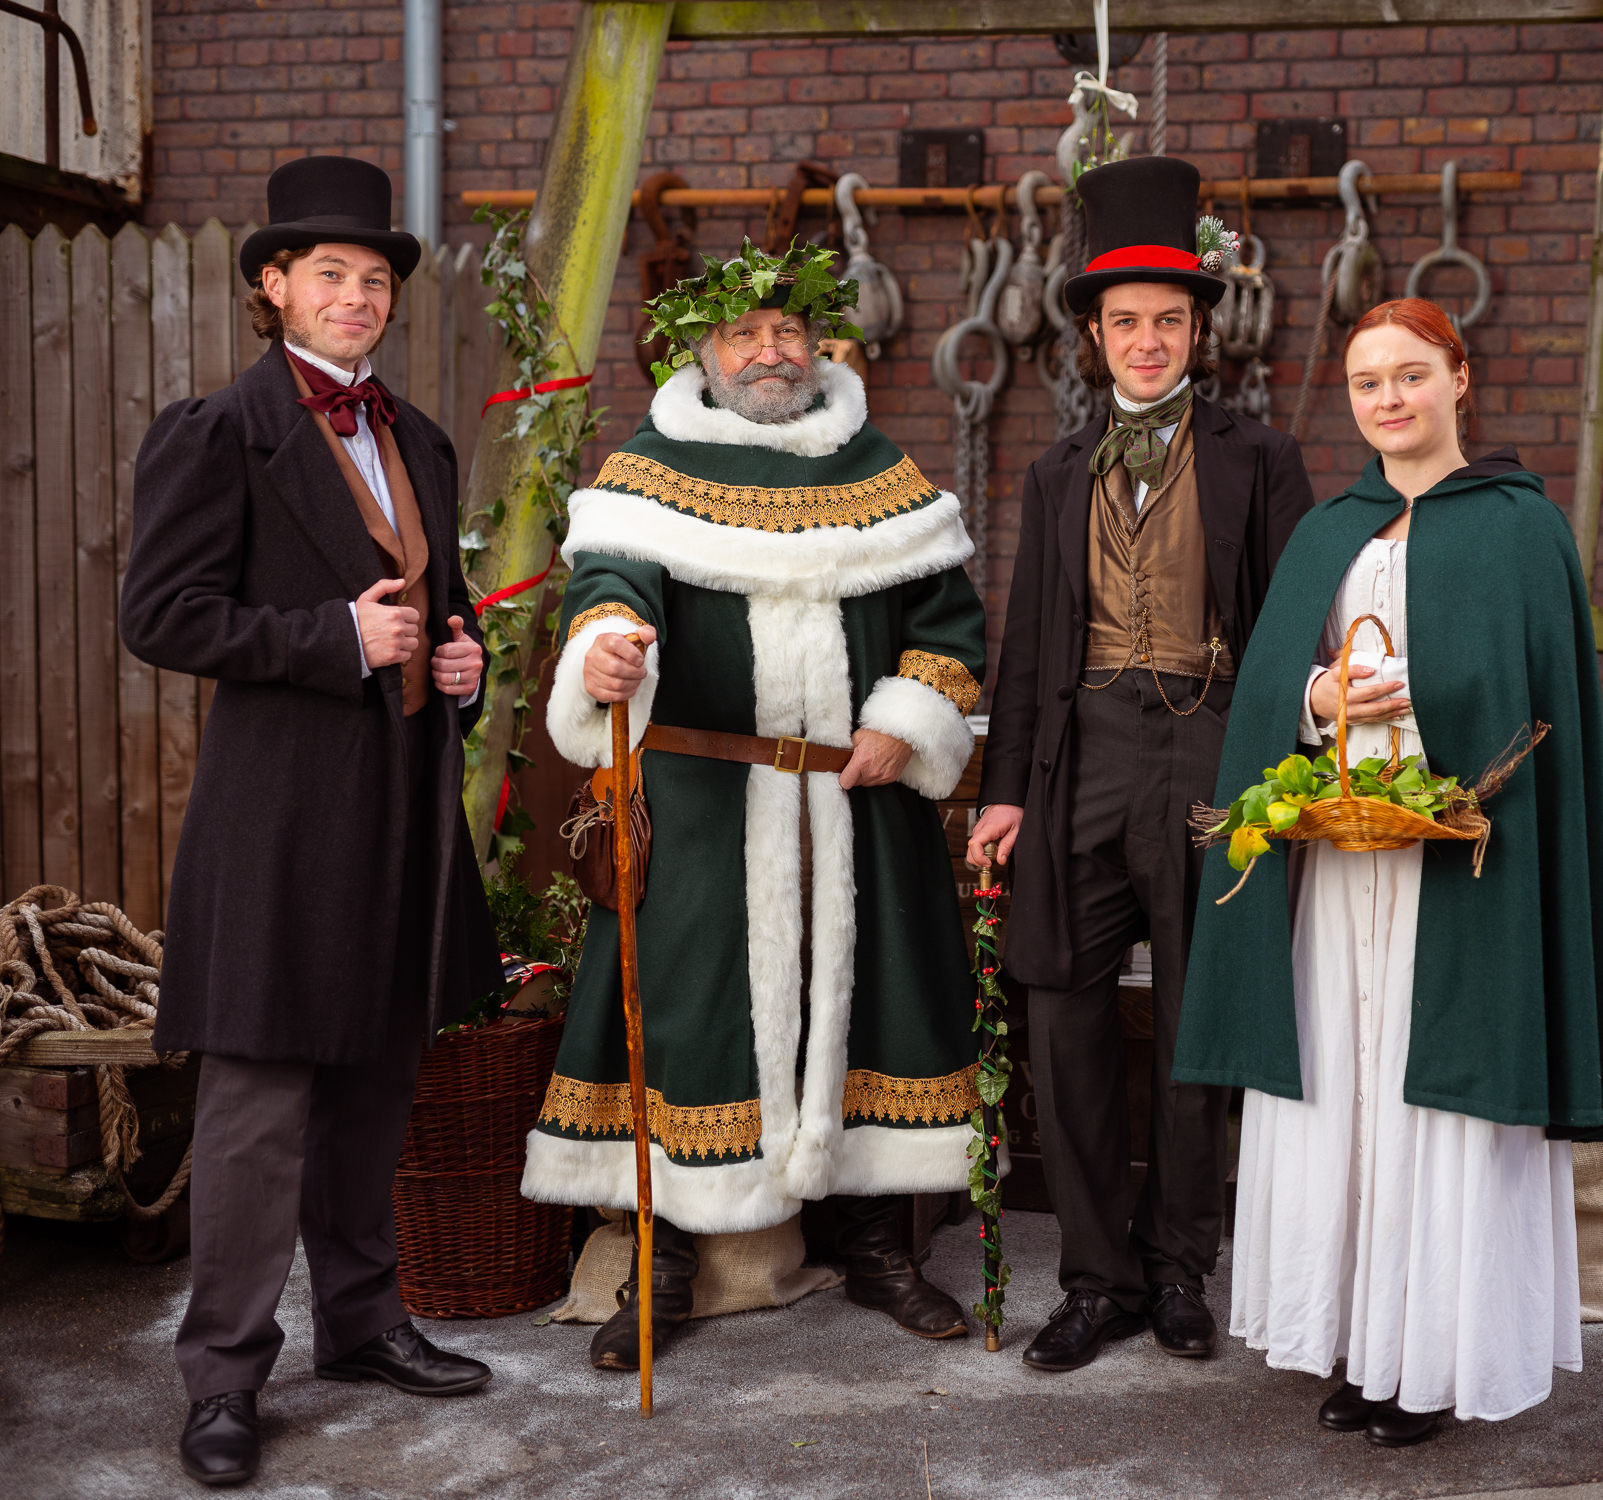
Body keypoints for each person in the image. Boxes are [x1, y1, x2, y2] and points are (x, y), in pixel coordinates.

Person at [1174, 298, 1603, 1446]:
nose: (1389, 400)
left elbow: (1537, 705)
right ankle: (1355, 1341)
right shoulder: (1334, 528)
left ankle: (1430, 1358)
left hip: (1465, 867)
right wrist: (1317, 695)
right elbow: (1283, 677)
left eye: (1410, 375)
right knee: (1347, 1084)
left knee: (1436, 1107)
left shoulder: (1519, 528)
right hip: (1341, 864)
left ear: (1459, 379)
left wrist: (1441, 740)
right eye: (1368, 383)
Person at [522, 238, 987, 1369]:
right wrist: (606, 656)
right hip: (703, 810)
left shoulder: (884, 474)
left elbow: (952, 630)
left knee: (877, 1003)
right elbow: (610, 592)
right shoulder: (646, 475)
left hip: (858, 801)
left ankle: (877, 1246)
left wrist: (906, 720)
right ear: (704, 352)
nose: (772, 350)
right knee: (690, 1016)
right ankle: (665, 1263)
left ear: (825, 347)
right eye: (746, 332)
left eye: (792, 331)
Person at [119, 156, 505, 1488]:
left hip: (401, 812)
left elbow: (443, 613)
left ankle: (361, 1326)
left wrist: (463, 665)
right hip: (278, 822)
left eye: (375, 279)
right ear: (273, 284)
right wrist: (325, 637)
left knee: (374, 1087)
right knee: (255, 1109)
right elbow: (159, 617)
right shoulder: (216, 431)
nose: (356, 297)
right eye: (329, 275)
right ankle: (224, 1376)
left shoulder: (427, 442)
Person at [967, 156, 1314, 1373]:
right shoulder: (1058, 472)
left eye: (1170, 319)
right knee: (1061, 1013)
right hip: (1083, 758)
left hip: (1216, 751)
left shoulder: (1260, 460)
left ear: (1200, 328)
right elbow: (1022, 649)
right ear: (1096, 335)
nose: (1150, 339)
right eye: (1128, 321)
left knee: (1190, 1024)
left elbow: (1291, 630)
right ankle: (1095, 1277)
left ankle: (1179, 1269)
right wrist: (1004, 787)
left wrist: (1287, 777)